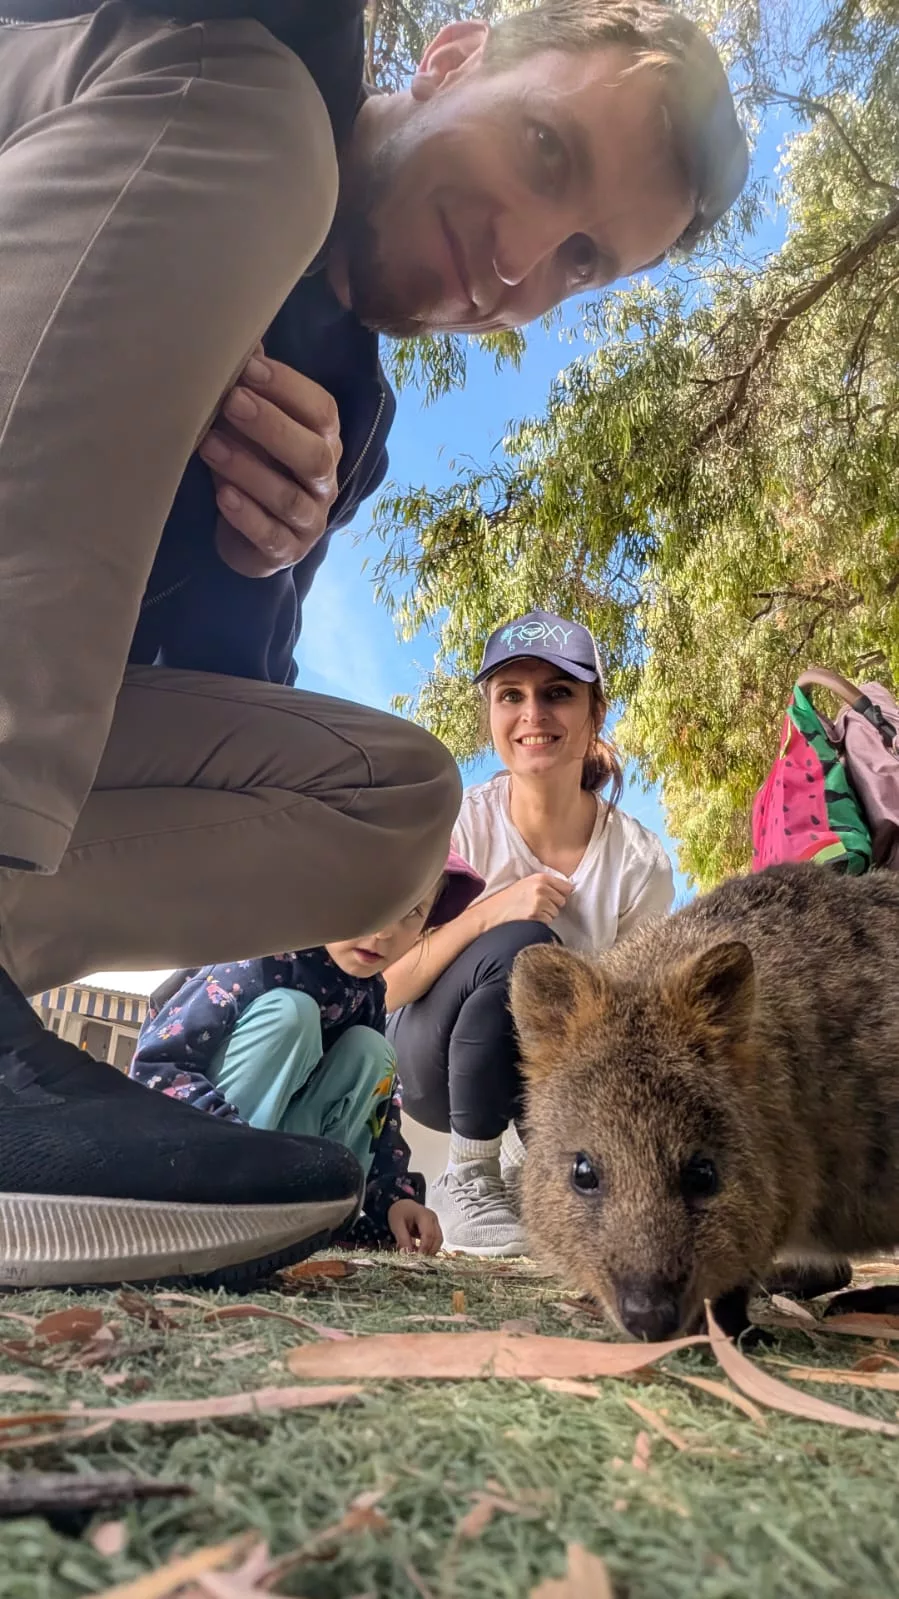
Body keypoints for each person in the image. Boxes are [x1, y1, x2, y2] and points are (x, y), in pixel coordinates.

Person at [0, 0, 748, 1289]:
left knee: (393, 806)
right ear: (448, 55)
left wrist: (254, 557)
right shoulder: (267, 62)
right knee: (267, 127)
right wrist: (175, 264)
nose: (517, 263)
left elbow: (178, 707)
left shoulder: (351, 410)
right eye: (544, 151)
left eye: (578, 263)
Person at [385, 609, 674, 1256]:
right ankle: (469, 1180)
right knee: (520, 946)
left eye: (557, 693)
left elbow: (633, 1030)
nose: (532, 715)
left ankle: (537, 1170)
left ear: (594, 712)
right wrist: (491, 911)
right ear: (489, 711)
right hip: (427, 1063)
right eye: (510, 695)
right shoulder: (458, 828)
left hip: (553, 1089)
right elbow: (385, 985)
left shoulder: (636, 860)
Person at [128, 854, 485, 1252]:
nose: (384, 932)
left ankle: (320, 1208)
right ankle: (215, 1204)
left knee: (373, 1051)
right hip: (203, 1156)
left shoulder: (368, 994)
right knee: (291, 1014)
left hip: (278, 1174)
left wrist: (393, 1196)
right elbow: (157, 1066)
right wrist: (238, 1146)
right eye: (369, 902)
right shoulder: (260, 956)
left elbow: (380, 1109)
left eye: (411, 912)